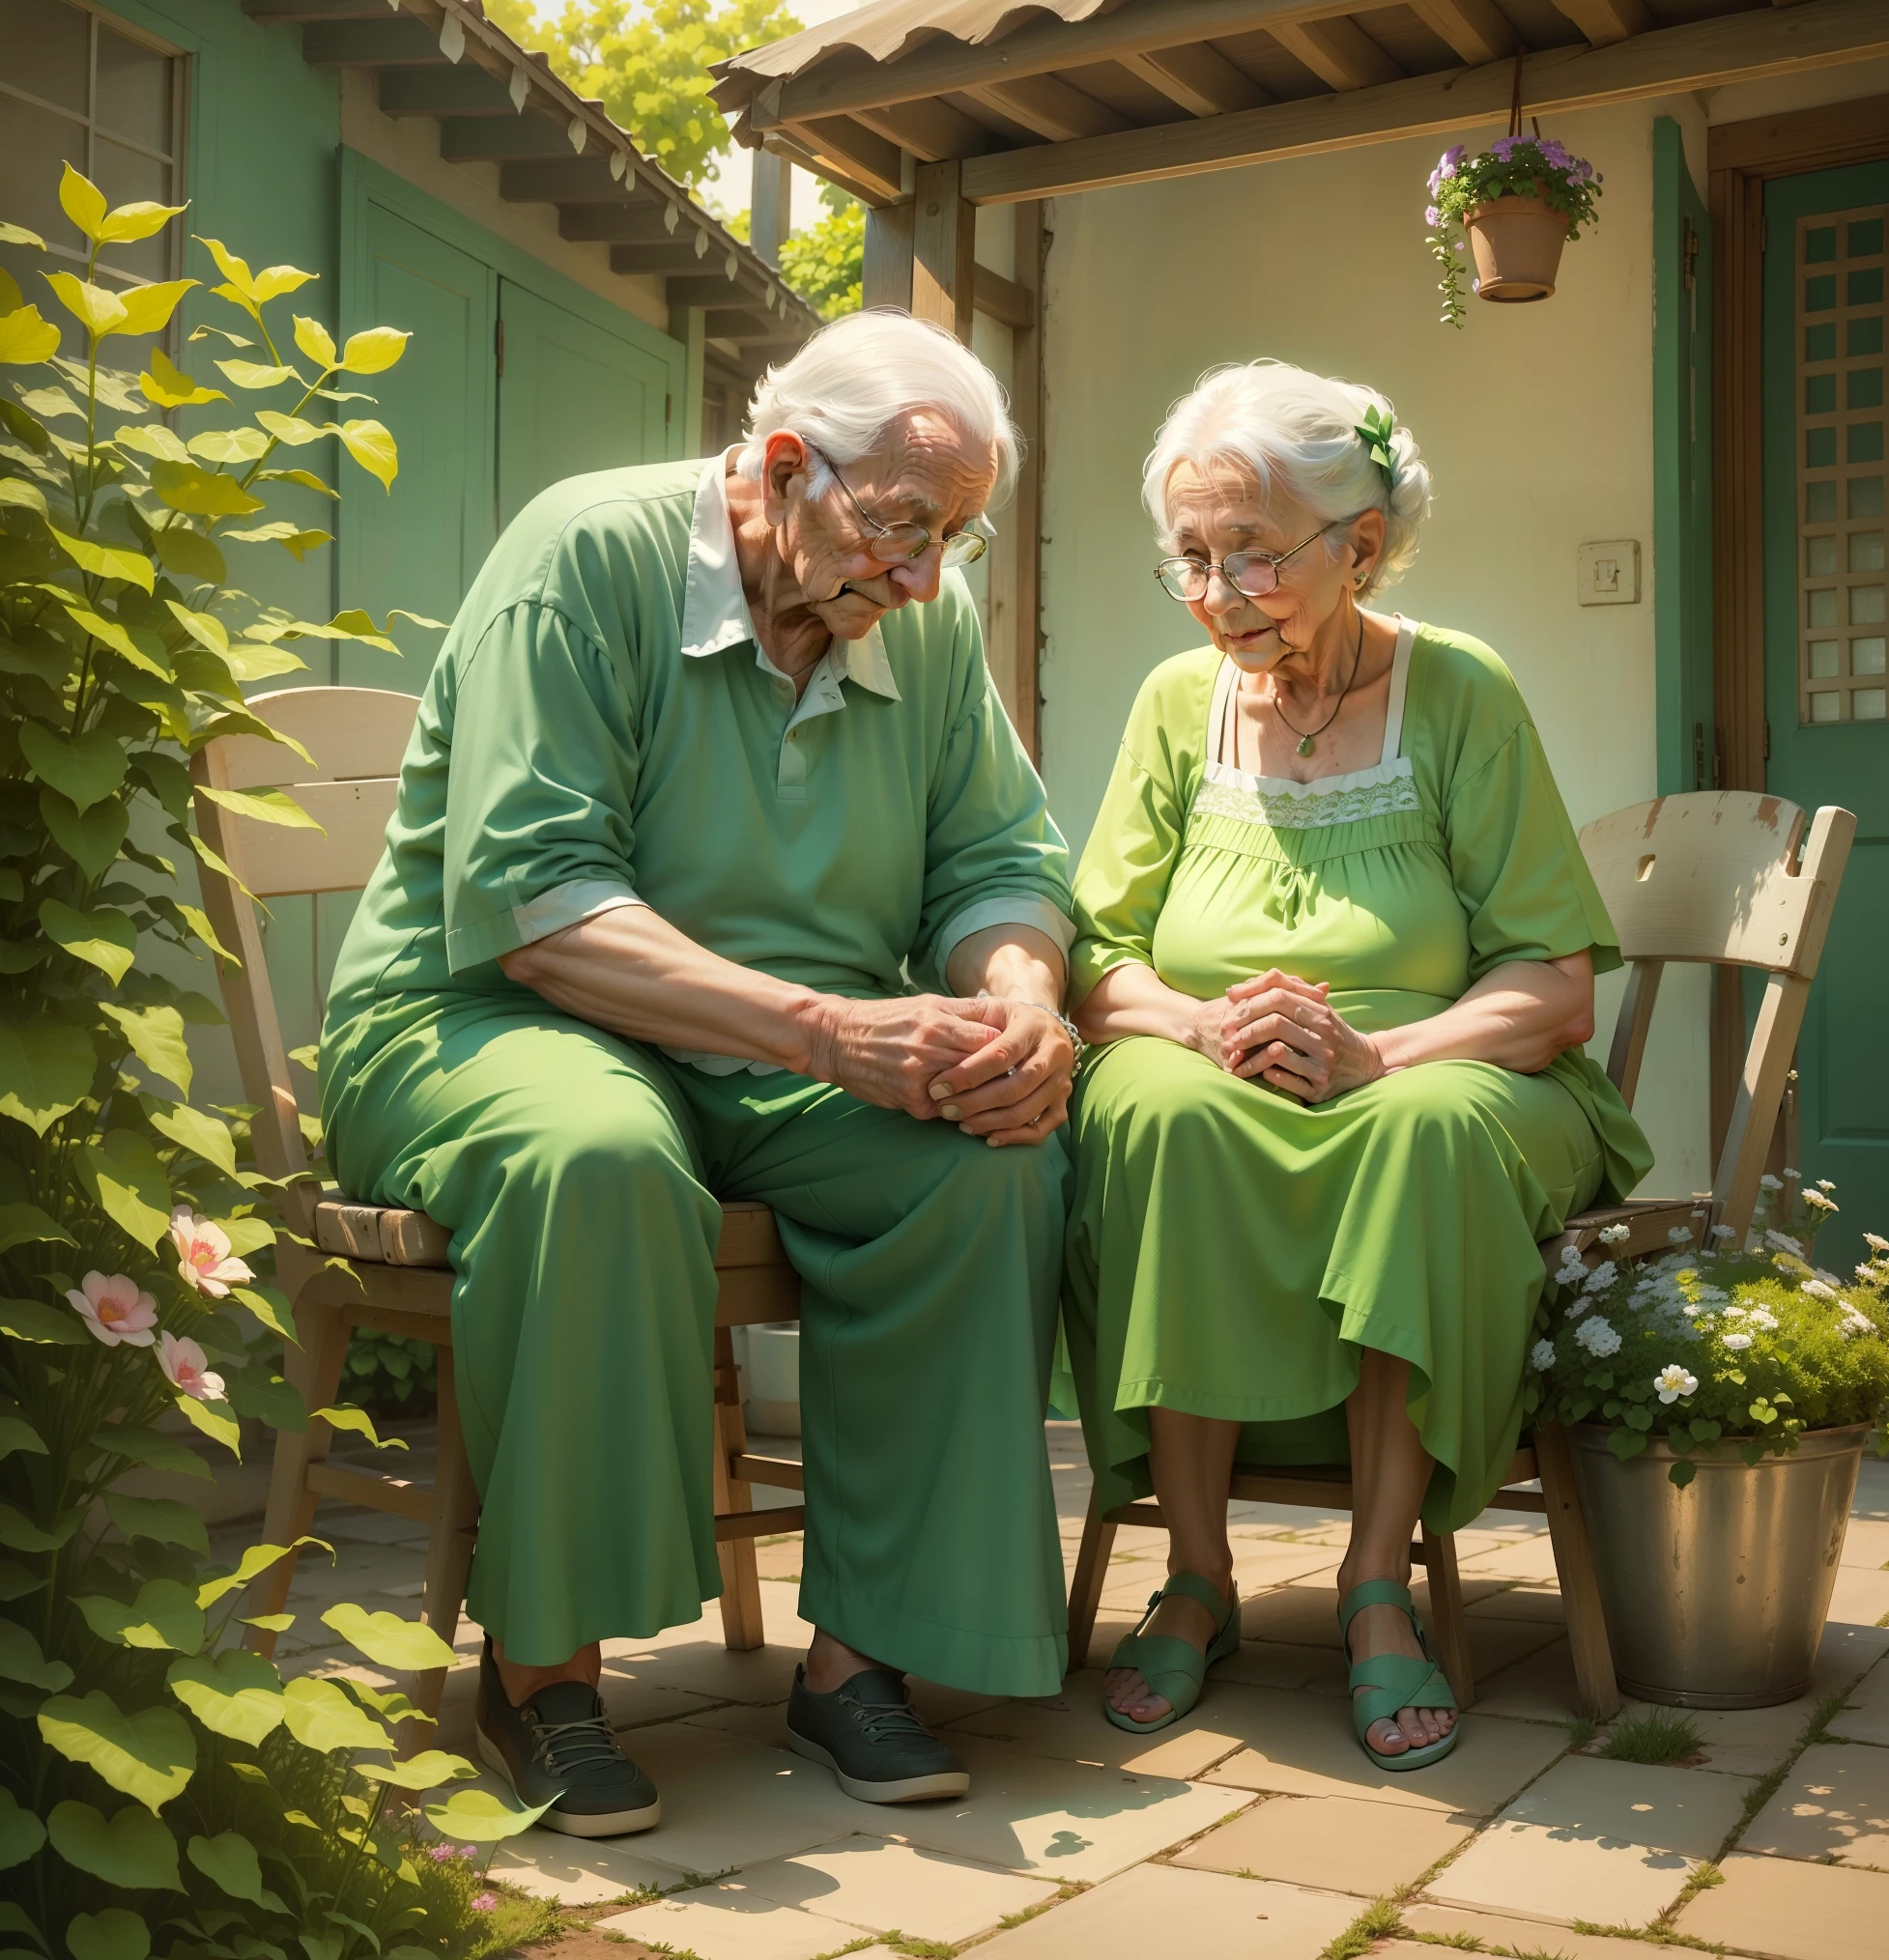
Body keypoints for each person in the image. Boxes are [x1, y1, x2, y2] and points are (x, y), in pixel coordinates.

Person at [320, 311, 1080, 1834]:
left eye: (960, 535)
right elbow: (539, 905)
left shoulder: (915, 612)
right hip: (489, 1024)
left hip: (777, 1056)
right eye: (904, 529)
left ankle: (864, 1660)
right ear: (784, 467)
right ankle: (542, 1682)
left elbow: (995, 853)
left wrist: (1021, 999)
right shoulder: (583, 558)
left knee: (986, 1156)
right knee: (600, 1157)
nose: (932, 578)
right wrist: (822, 1029)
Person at [1064, 362, 1651, 1770]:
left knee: (1427, 1134)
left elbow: (1552, 987)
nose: (1219, 592)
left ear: (1363, 547)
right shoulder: (1171, 703)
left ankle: (1375, 1583)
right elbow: (1096, 957)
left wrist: (1380, 1051)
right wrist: (1198, 1027)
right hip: (1218, 1064)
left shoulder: (1457, 692)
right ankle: (1195, 1574)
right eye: (1192, 559)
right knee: (1149, 1109)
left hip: (1450, 1061)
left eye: (1253, 554)